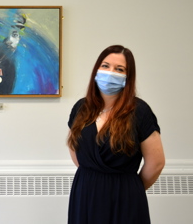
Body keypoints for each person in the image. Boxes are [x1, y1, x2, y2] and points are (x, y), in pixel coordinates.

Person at [66, 45, 165, 224]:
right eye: (105, 66)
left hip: (124, 197)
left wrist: (129, 189)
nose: (110, 72)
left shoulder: (139, 111)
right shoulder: (81, 108)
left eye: (119, 69)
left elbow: (156, 163)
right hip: (85, 192)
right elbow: (75, 149)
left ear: (128, 77)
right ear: (96, 69)